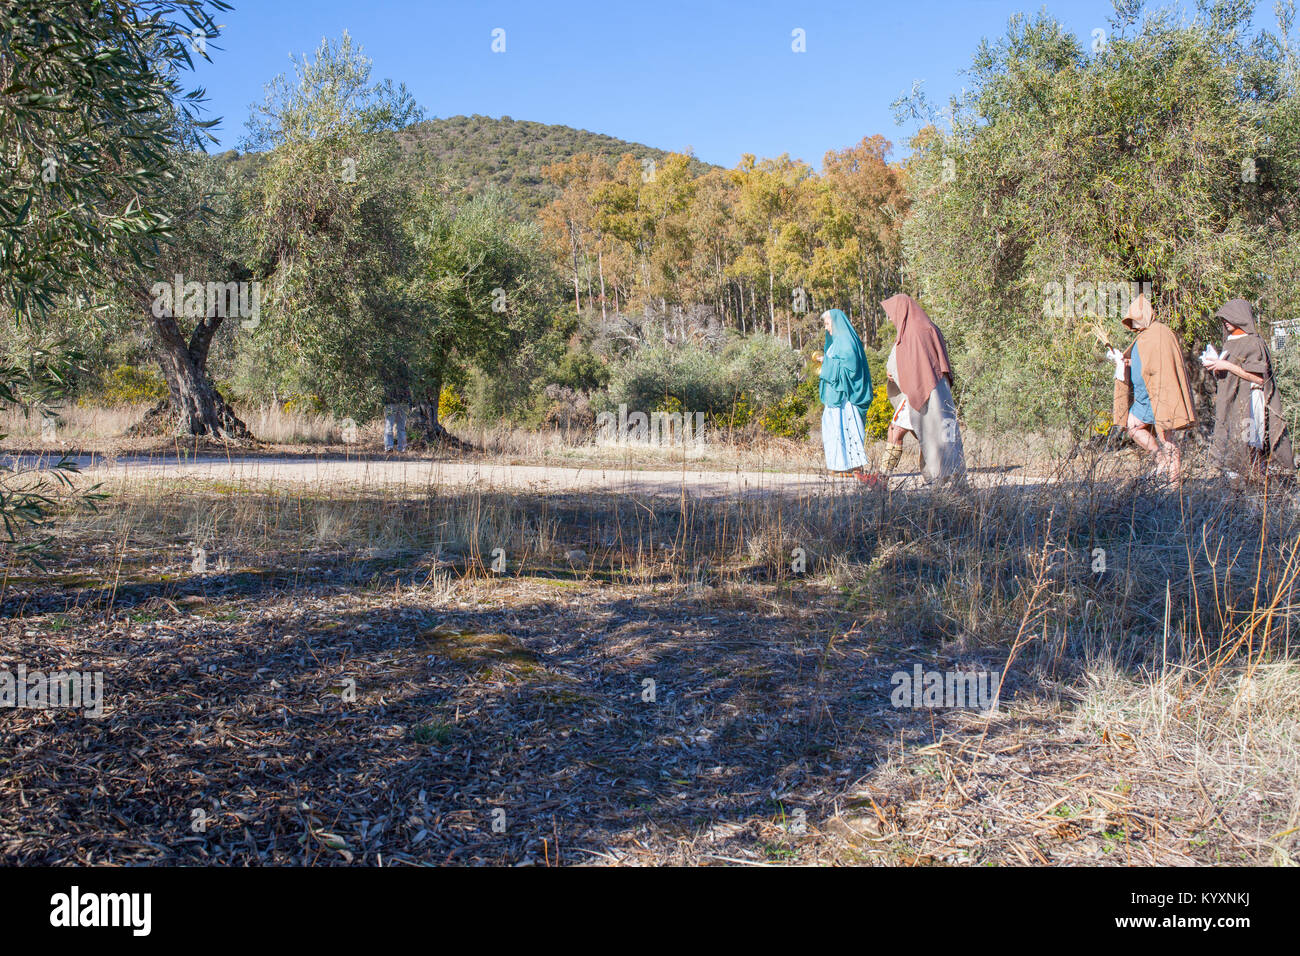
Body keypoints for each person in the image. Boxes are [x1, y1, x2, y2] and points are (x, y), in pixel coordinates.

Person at [878, 294, 966, 485]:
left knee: (901, 431)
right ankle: (941, 478)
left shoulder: (913, 333)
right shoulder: (927, 328)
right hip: (933, 391)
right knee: (930, 434)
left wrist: (894, 373)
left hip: (919, 391)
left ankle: (884, 478)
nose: (892, 318)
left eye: (892, 314)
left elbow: (908, 366)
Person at [1204, 298, 1295, 480]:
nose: (1226, 321)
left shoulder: (1253, 343)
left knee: (1251, 445)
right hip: (1234, 402)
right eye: (1224, 319)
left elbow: (1259, 378)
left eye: (1230, 317)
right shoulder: (1231, 342)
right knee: (1236, 445)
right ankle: (1243, 491)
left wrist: (1227, 366)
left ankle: (1257, 490)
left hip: (1251, 404)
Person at [1109, 294, 1196, 481]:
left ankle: (1174, 483)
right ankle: (1159, 457)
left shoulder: (1161, 333)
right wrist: (1124, 362)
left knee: (1167, 437)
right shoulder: (1143, 336)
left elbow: (1162, 365)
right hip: (1143, 395)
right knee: (1132, 426)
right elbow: (1145, 362)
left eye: (1135, 318)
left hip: (1160, 392)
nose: (1133, 323)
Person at [817, 309, 874, 482]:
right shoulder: (837, 342)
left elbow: (851, 367)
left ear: (835, 322)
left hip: (846, 398)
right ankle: (839, 466)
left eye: (827, 324)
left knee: (848, 428)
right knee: (834, 429)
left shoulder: (846, 341)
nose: (826, 328)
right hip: (835, 397)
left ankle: (854, 465)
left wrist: (825, 362)